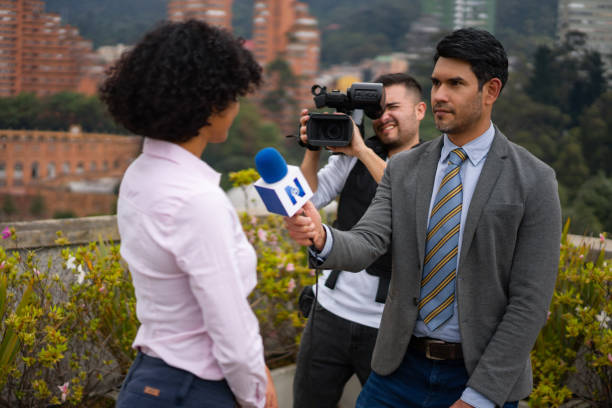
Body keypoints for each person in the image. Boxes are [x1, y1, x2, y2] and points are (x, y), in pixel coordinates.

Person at [285, 28, 561, 408]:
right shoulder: (404, 169)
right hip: (399, 370)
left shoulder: (534, 180)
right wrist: (321, 237)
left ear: (491, 90)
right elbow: (368, 240)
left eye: (456, 84)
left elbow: (529, 303)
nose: (440, 96)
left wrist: (479, 397)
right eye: (435, 82)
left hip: (478, 377)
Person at [99, 20, 277, 408]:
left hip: (149, 378)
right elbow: (228, 323)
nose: (236, 105)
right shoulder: (197, 200)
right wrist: (258, 396)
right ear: (211, 105)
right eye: (233, 95)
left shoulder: (139, 175)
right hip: (195, 388)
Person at [293, 73, 426, 408]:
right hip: (328, 312)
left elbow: (411, 202)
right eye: (377, 110)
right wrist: (312, 149)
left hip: (387, 327)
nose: (383, 117)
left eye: (393, 107)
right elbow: (307, 198)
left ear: (420, 110)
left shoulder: (433, 164)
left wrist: (361, 150)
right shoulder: (351, 158)